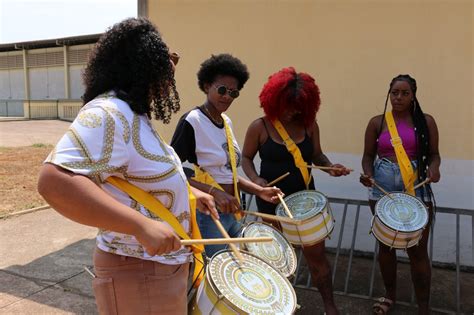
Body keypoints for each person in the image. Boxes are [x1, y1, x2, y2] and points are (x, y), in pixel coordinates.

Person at [37, 18, 218, 315]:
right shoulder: (108, 112)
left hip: (159, 271)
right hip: (138, 272)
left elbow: (136, 181)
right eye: (168, 58)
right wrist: (141, 226)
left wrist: (192, 196)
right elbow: (55, 181)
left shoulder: (135, 116)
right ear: (143, 63)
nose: (172, 69)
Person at [242, 67, 350, 315]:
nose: (293, 112)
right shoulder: (259, 127)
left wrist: (330, 167)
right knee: (276, 260)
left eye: (298, 106)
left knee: (317, 259)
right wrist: (257, 180)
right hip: (271, 203)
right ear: (275, 101)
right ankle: (278, 308)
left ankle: (329, 307)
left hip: (305, 203)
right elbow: (246, 158)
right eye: (288, 106)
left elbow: (316, 155)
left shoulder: (310, 125)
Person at [170, 53, 282, 257]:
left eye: (234, 93)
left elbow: (226, 173)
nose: (227, 96)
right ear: (206, 86)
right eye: (222, 89)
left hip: (233, 210)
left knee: (233, 273)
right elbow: (173, 171)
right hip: (208, 213)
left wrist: (260, 191)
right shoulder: (192, 121)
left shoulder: (226, 122)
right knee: (214, 276)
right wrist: (215, 192)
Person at [360, 74, 440, 315]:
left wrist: (434, 169)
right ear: (389, 94)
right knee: (387, 246)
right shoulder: (377, 122)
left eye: (405, 93)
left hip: (417, 187)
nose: (399, 97)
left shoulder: (426, 121)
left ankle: (423, 307)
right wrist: (367, 174)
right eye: (395, 92)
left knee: (417, 249)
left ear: (413, 95)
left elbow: (435, 155)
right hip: (382, 189)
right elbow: (367, 156)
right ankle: (390, 296)